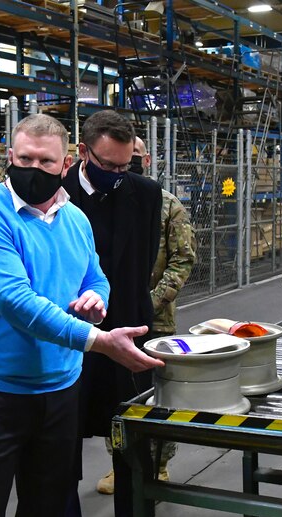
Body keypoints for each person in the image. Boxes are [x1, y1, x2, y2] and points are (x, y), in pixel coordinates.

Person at [0, 114, 163, 517]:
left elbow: (96, 276)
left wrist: (95, 300)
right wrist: (98, 340)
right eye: (26, 159)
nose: (35, 169)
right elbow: (20, 305)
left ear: (65, 164)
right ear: (10, 157)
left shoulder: (75, 219)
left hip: (61, 389)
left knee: (47, 506)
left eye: (46, 162)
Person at [62, 111, 163, 517]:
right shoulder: (55, 193)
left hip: (128, 332)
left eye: (127, 166)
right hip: (67, 337)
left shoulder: (146, 194)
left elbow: (145, 263)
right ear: (84, 152)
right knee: (62, 448)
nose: (119, 174)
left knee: (133, 444)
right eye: (109, 165)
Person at [96, 136, 197, 495]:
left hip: (157, 319)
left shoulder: (167, 205)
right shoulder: (103, 205)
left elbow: (183, 259)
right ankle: (118, 463)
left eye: (134, 158)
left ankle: (160, 462)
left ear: (147, 160)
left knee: (160, 394)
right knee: (118, 392)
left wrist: (147, 302)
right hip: (115, 317)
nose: (127, 167)